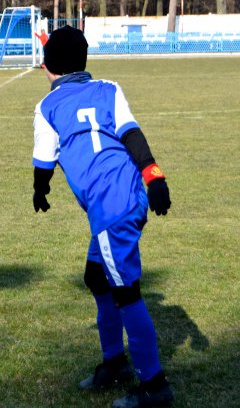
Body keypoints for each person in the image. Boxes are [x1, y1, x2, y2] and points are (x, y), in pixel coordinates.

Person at [31, 26, 174, 408]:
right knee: (97, 278)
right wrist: (153, 175)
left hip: (112, 208)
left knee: (127, 293)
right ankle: (114, 364)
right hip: (127, 194)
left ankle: (154, 385)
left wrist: (39, 190)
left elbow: (44, 161)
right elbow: (131, 134)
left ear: (47, 67)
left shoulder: (47, 107)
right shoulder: (110, 88)